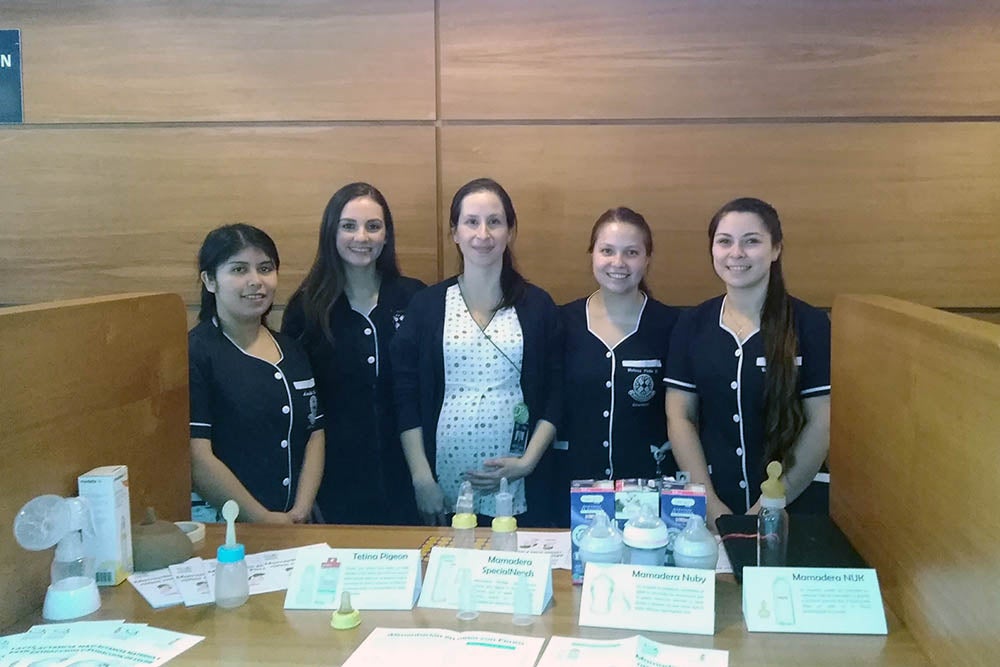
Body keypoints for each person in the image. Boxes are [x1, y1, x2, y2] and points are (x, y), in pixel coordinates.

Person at [391, 177, 563, 527]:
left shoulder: (538, 306)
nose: (482, 234)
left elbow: (558, 391)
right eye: (471, 221)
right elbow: (405, 395)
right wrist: (422, 478)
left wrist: (528, 462)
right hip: (442, 485)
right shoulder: (426, 306)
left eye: (494, 222)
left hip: (520, 482)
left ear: (510, 231)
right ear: (454, 231)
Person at [665, 198, 831, 530]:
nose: (736, 253)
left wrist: (772, 502)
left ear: (775, 249)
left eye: (751, 241)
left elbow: (822, 423)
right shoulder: (693, 323)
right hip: (713, 507)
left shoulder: (810, 324)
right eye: (724, 241)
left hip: (793, 509)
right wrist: (709, 505)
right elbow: (680, 416)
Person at [282, 183, 425, 525]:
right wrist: (306, 493)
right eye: (349, 226)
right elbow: (299, 409)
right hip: (335, 482)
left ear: (386, 235)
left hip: (409, 479)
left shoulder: (415, 298)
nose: (362, 236)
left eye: (373, 226)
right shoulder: (306, 308)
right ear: (330, 232)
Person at [189, 223, 325, 523]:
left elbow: (315, 431)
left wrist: (302, 509)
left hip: (295, 522)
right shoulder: (196, 353)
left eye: (265, 268)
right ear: (210, 280)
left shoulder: (292, 349)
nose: (256, 281)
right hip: (226, 530)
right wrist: (260, 518)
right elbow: (197, 457)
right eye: (239, 270)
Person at [556, 208, 681, 506]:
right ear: (592, 255)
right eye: (607, 251)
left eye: (631, 252)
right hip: (570, 491)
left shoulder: (672, 326)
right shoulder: (562, 322)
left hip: (648, 495)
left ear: (647, 258)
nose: (618, 263)